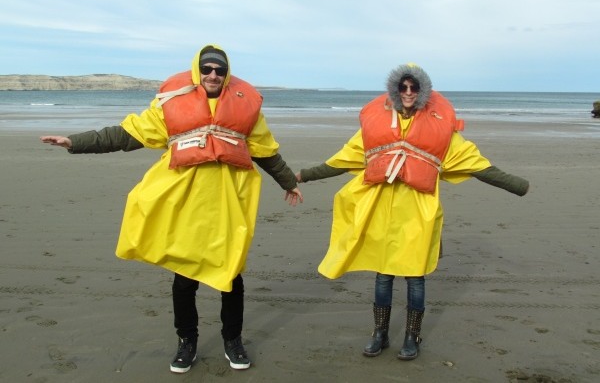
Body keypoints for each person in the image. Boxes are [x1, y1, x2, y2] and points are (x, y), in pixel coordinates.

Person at [41, 44, 303, 374]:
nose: (213, 75)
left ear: (227, 74)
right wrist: (74, 143)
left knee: (231, 276)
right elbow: (126, 134)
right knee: (184, 278)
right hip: (186, 205)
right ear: (197, 71)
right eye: (207, 69)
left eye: (219, 71)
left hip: (227, 205)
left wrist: (287, 182)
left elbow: (265, 152)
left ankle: (232, 341)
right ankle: (187, 342)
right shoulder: (173, 101)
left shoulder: (246, 107)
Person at [296, 63, 529, 361]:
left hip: (419, 212)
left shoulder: (440, 128)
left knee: (415, 276)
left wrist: (516, 185)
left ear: (423, 91)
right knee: (383, 274)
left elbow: (476, 163)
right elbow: (342, 160)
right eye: (403, 87)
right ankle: (379, 334)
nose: (408, 92)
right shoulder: (376, 125)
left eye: (414, 87)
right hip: (382, 210)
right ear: (395, 89)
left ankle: (412, 337)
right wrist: (303, 175)